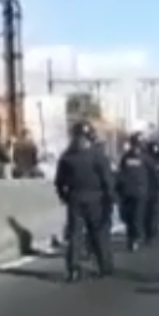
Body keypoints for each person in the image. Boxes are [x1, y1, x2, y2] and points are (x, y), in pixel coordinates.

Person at [55, 120, 115, 282]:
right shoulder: (98, 156)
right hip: (96, 199)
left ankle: (73, 268)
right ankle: (104, 266)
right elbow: (107, 180)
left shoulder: (67, 157)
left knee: (75, 235)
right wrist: (110, 199)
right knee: (99, 233)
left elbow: (59, 182)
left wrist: (66, 197)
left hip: (76, 199)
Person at [116, 132, 151, 251]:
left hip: (132, 192)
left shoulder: (128, 157)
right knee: (132, 216)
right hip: (135, 191)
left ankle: (134, 238)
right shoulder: (141, 157)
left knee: (134, 216)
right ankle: (134, 237)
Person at [143, 139, 159, 244]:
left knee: (148, 214)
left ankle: (148, 235)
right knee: (153, 214)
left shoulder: (145, 160)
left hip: (148, 190)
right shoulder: (157, 163)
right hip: (153, 191)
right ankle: (150, 235)